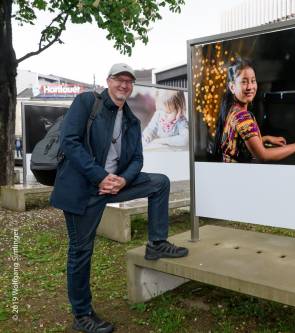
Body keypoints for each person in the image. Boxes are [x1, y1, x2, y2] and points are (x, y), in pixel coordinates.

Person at [50, 63, 188, 333]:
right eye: (118, 79)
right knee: (81, 252)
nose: (124, 85)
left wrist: (123, 180)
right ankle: (82, 315)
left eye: (128, 81)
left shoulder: (132, 120)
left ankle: (156, 243)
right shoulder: (87, 102)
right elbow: (70, 142)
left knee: (159, 183)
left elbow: (137, 158)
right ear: (108, 81)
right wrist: (100, 176)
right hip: (84, 189)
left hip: (116, 184)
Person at [214, 58, 295, 163]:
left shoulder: (232, 110)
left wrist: (265, 138)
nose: (250, 87)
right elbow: (263, 155)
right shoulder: (243, 117)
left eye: (253, 81)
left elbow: (239, 143)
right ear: (232, 87)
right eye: (244, 82)